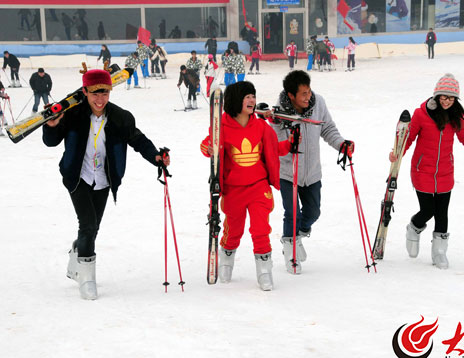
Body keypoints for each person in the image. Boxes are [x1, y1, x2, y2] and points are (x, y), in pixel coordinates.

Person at [41, 67, 170, 300]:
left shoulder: (121, 117)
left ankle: (78, 252)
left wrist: (156, 157)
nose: (100, 100)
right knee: (88, 224)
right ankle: (87, 278)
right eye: (95, 94)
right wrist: (52, 124)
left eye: (105, 94)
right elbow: (50, 142)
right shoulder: (72, 114)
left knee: (92, 228)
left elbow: (138, 139)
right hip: (77, 177)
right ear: (86, 92)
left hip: (104, 179)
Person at [390, 73, 464, 269]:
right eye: (444, 97)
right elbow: (409, 138)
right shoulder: (421, 114)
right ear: (437, 96)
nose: (447, 101)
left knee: (442, 213)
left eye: (451, 98)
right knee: (428, 210)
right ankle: (413, 229)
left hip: (445, 172)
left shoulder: (455, 117)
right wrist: (397, 155)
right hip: (422, 170)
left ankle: (439, 252)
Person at [199, 81, 294, 290]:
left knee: (260, 229)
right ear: (236, 100)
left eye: (253, 96)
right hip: (234, 189)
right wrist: (207, 147)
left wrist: (289, 144)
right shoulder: (221, 126)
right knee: (234, 230)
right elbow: (209, 145)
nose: (252, 100)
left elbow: (273, 148)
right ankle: (226, 259)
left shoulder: (261, 126)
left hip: (258, 187)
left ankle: (264, 270)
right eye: (247, 97)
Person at [272, 70, 354, 274]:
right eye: (303, 94)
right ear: (291, 95)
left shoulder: (319, 104)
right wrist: (287, 139)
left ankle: (297, 235)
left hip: (312, 172)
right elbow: (277, 142)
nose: (308, 97)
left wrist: (342, 145)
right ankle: (290, 249)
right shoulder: (279, 113)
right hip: (288, 173)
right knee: (291, 213)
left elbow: (328, 130)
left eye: (309, 91)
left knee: (313, 212)